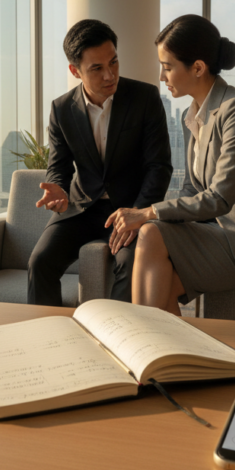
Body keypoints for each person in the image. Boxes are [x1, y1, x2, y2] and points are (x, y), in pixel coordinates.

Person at [105, 15, 235, 316]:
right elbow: (191, 188)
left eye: (168, 67)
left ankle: (140, 346)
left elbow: (220, 197)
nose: (161, 76)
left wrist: (147, 213)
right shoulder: (191, 114)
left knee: (150, 232)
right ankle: (165, 356)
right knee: (163, 282)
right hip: (217, 232)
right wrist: (148, 217)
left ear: (197, 67)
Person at [28, 19, 172, 306]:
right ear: (75, 70)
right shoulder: (61, 109)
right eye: (97, 68)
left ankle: (117, 338)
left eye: (114, 62)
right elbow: (59, 165)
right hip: (81, 208)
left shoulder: (144, 98)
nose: (110, 75)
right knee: (40, 262)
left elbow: (159, 166)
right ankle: (48, 340)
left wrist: (138, 215)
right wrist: (57, 186)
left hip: (130, 207)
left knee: (131, 265)